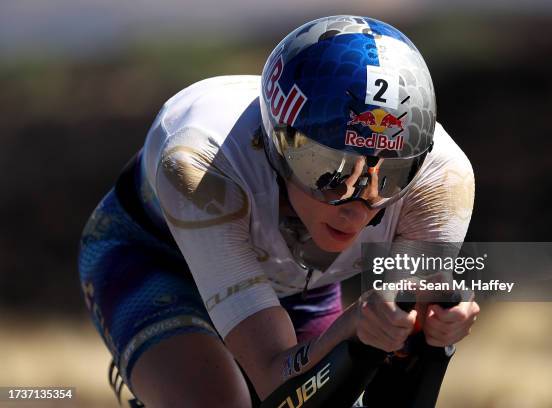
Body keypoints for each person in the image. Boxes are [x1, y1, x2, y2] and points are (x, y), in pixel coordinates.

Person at [78, 15, 479, 407]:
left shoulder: (443, 179)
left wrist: (434, 336)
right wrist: (351, 328)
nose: (356, 207)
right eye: (328, 171)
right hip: (157, 258)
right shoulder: (198, 159)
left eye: (390, 176)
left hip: (298, 280)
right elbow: (275, 377)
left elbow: (400, 352)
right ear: (274, 141)